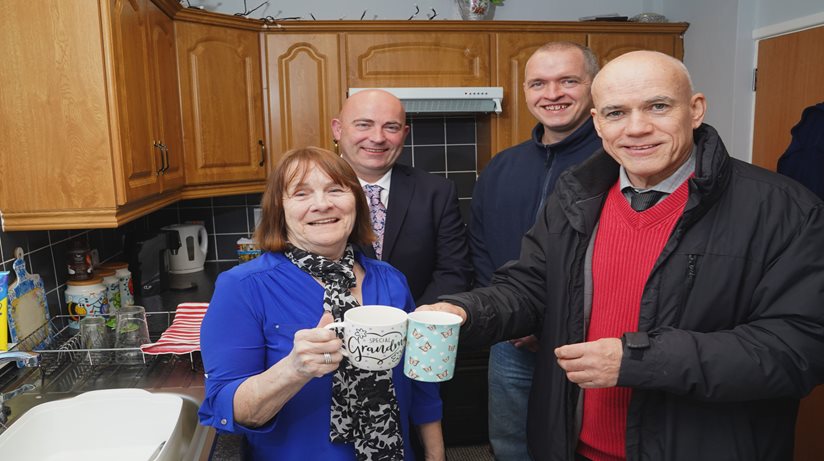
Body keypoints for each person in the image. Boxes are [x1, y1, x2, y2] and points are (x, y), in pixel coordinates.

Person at [419, 50, 824, 460]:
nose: (636, 128)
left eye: (658, 106)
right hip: (572, 447)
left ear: (696, 109)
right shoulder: (576, 195)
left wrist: (639, 361)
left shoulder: (785, 210)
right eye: (615, 113)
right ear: (598, 122)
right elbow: (530, 288)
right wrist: (463, 311)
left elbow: (797, 349)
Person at [199, 147, 445, 460]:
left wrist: (436, 455)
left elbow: (420, 381)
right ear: (279, 209)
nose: (322, 204)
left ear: (355, 201)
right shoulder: (243, 287)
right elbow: (228, 409)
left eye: (336, 189)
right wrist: (293, 370)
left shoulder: (391, 280)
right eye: (301, 194)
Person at [469, 41, 602, 460]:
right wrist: (510, 320)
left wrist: (550, 322)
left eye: (568, 81)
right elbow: (481, 247)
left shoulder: (615, 159)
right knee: (510, 444)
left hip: (586, 343)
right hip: (511, 344)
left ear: (594, 86)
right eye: (539, 83)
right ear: (525, 91)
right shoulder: (502, 166)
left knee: (581, 446)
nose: (553, 93)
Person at [331, 89, 473, 307]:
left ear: (404, 133)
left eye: (391, 127)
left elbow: (454, 272)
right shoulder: (310, 193)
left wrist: (412, 321)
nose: (378, 138)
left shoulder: (437, 193)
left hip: (418, 328)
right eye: (363, 125)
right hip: (333, 330)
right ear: (338, 129)